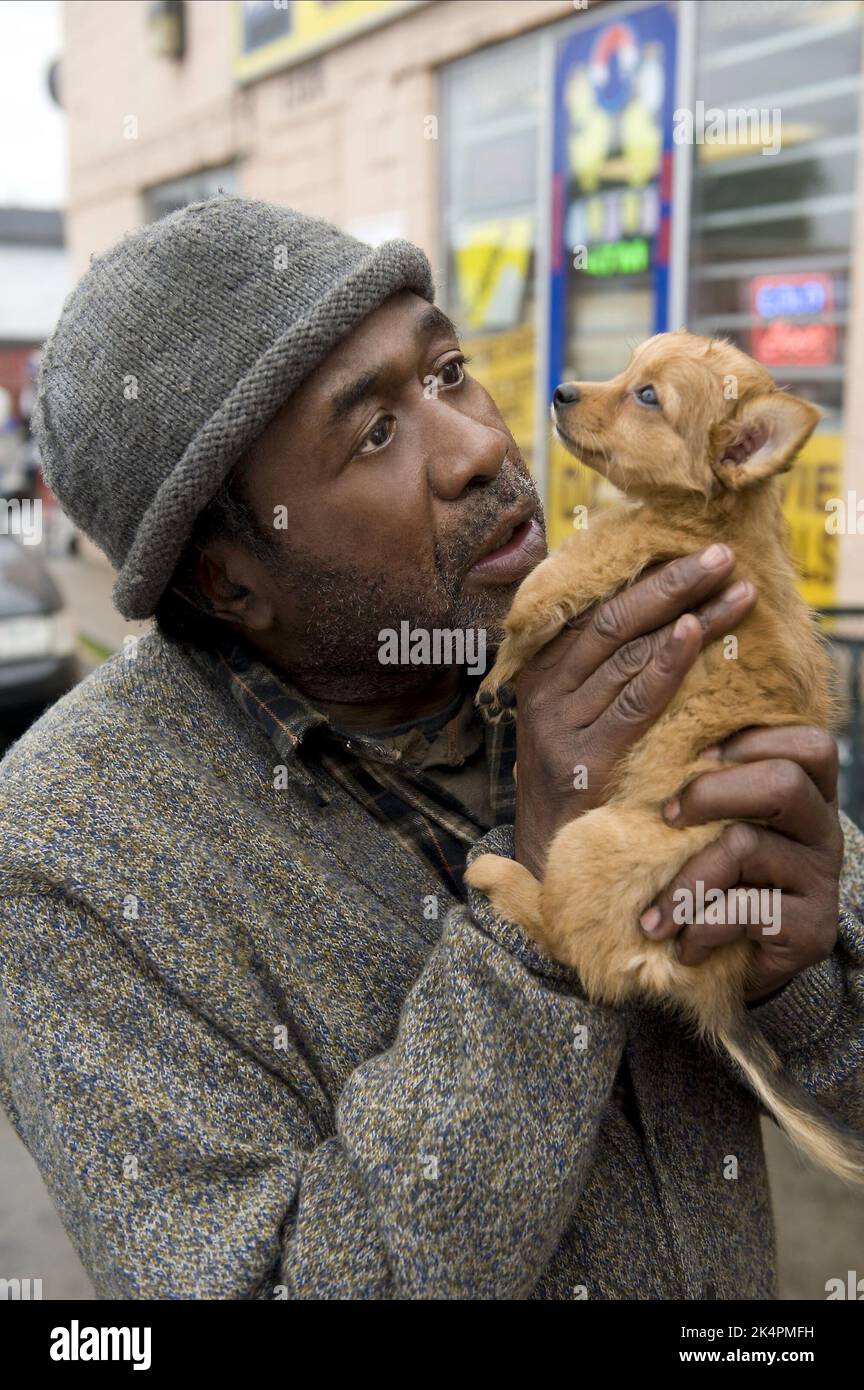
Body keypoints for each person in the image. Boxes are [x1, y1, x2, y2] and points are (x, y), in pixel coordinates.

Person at [0, 195, 860, 1300]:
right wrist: (541, 909)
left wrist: (807, 982)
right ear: (229, 578)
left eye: (447, 370)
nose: (482, 446)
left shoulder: (644, 635)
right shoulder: (67, 857)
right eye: (373, 432)